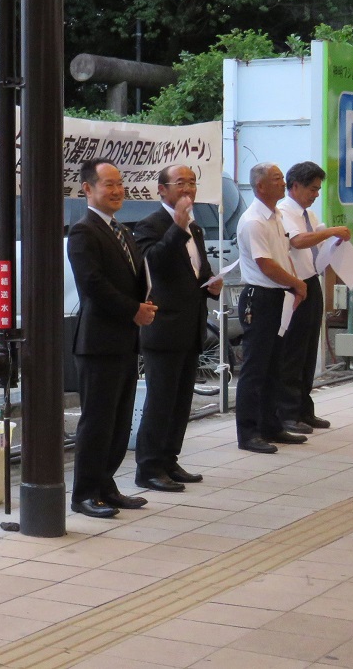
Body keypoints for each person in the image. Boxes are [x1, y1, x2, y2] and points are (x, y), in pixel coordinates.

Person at [66, 159, 155, 519]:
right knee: (98, 420)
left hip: (125, 339)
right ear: (88, 189)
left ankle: (106, 485)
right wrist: (133, 309)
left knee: (119, 421)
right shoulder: (84, 231)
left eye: (120, 184)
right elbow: (93, 285)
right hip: (99, 341)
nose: (118, 191)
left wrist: (144, 304)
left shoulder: (121, 229)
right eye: (109, 185)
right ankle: (84, 493)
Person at [132, 165, 220, 493]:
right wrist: (178, 227)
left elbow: (200, 270)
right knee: (161, 399)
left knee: (182, 399)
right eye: (180, 183)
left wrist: (212, 284)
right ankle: (149, 466)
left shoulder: (194, 228)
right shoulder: (150, 225)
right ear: (162, 190)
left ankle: (169, 458)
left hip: (190, 325)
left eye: (193, 183)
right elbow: (153, 263)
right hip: (163, 326)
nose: (188, 190)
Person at [233, 163, 309, 454]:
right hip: (260, 297)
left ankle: (272, 425)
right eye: (277, 180)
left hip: (279, 294)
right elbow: (265, 264)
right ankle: (248, 432)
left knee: (275, 364)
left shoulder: (276, 216)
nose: (283, 183)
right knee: (255, 368)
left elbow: (283, 255)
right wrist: (297, 284)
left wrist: (294, 284)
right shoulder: (253, 220)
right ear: (261, 186)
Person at [277, 161, 350, 433]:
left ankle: (304, 410)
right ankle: (287, 412)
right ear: (295, 186)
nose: (316, 194)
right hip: (293, 285)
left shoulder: (308, 213)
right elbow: (297, 241)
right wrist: (330, 232)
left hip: (311, 281)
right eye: (312, 189)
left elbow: (317, 239)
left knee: (309, 350)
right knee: (293, 351)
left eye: (318, 189)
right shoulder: (285, 211)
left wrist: (334, 240)